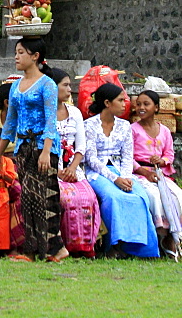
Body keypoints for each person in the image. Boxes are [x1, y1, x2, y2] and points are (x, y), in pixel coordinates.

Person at [0, 38, 68, 262]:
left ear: (35, 57)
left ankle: (47, 248)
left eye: (21, 52)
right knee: (28, 198)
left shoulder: (47, 85)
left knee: (44, 197)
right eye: (16, 52)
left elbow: (51, 121)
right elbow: (10, 125)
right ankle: (38, 248)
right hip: (24, 148)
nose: (16, 56)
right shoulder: (15, 86)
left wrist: (46, 151)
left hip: (44, 147)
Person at [84, 82, 159, 258]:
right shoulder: (89, 125)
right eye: (120, 100)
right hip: (98, 173)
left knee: (140, 196)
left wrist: (126, 177)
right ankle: (114, 245)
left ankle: (140, 248)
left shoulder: (125, 126)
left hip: (121, 170)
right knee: (114, 197)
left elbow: (127, 156)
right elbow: (91, 159)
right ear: (107, 103)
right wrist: (115, 179)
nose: (126, 103)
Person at [49, 67, 101, 258]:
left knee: (87, 198)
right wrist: (59, 171)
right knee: (66, 199)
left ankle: (85, 247)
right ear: (52, 88)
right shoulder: (42, 114)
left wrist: (72, 168)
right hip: (51, 168)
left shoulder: (75, 113)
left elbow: (81, 146)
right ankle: (63, 245)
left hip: (73, 168)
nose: (70, 90)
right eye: (66, 85)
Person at [131, 89, 182, 255]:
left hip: (160, 174)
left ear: (157, 108)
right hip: (140, 173)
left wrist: (162, 161)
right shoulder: (132, 130)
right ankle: (161, 236)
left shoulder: (165, 131)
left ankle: (174, 236)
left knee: (178, 195)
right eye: (138, 104)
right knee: (154, 196)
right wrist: (144, 172)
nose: (141, 107)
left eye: (146, 104)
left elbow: (169, 154)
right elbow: (127, 156)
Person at [0, 84, 24, 255]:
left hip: (18, 164)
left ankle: (17, 244)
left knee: (19, 193)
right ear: (7, 103)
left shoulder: (24, 119)